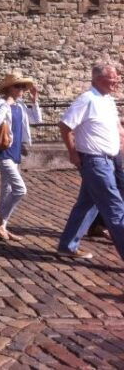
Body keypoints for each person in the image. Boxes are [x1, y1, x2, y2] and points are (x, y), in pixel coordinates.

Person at [57, 63, 124, 260]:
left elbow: (115, 128)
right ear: (96, 79)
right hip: (95, 161)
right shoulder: (87, 99)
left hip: (110, 160)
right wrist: (73, 153)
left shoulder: (108, 100)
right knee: (115, 208)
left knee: (87, 204)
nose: (116, 81)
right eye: (111, 77)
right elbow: (65, 124)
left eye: (117, 77)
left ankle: (68, 245)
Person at [0, 73, 42, 241]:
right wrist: (7, 103)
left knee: (8, 190)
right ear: (8, 88)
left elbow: (36, 119)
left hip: (15, 152)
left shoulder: (20, 106)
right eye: (17, 86)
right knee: (20, 189)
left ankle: (2, 227)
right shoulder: (0, 103)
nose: (21, 90)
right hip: (3, 152)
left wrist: (34, 100)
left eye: (22, 87)